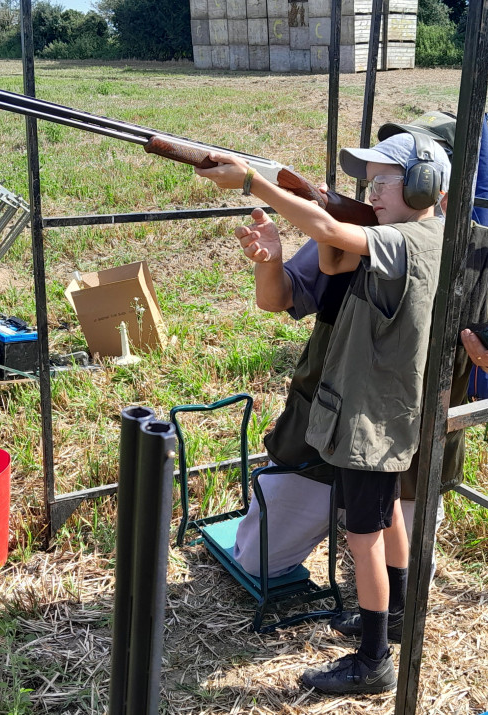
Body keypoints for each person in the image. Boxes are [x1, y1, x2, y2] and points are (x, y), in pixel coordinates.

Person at [197, 129, 452, 695]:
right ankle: (401, 613)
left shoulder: (409, 240)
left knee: (361, 539)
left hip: (368, 424)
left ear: (424, 185)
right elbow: (331, 257)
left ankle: (373, 658)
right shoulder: (424, 234)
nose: (374, 190)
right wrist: (292, 228)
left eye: (386, 180)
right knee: (384, 519)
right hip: (382, 416)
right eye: (372, 182)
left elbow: (334, 233)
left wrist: (251, 181)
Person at [231, 112, 488, 595]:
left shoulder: (486, 249)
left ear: (435, 185)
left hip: (409, 444)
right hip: (324, 426)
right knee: (257, 563)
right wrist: (271, 259)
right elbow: (278, 298)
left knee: (405, 586)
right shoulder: (350, 231)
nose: (374, 191)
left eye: (392, 176)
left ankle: (375, 630)